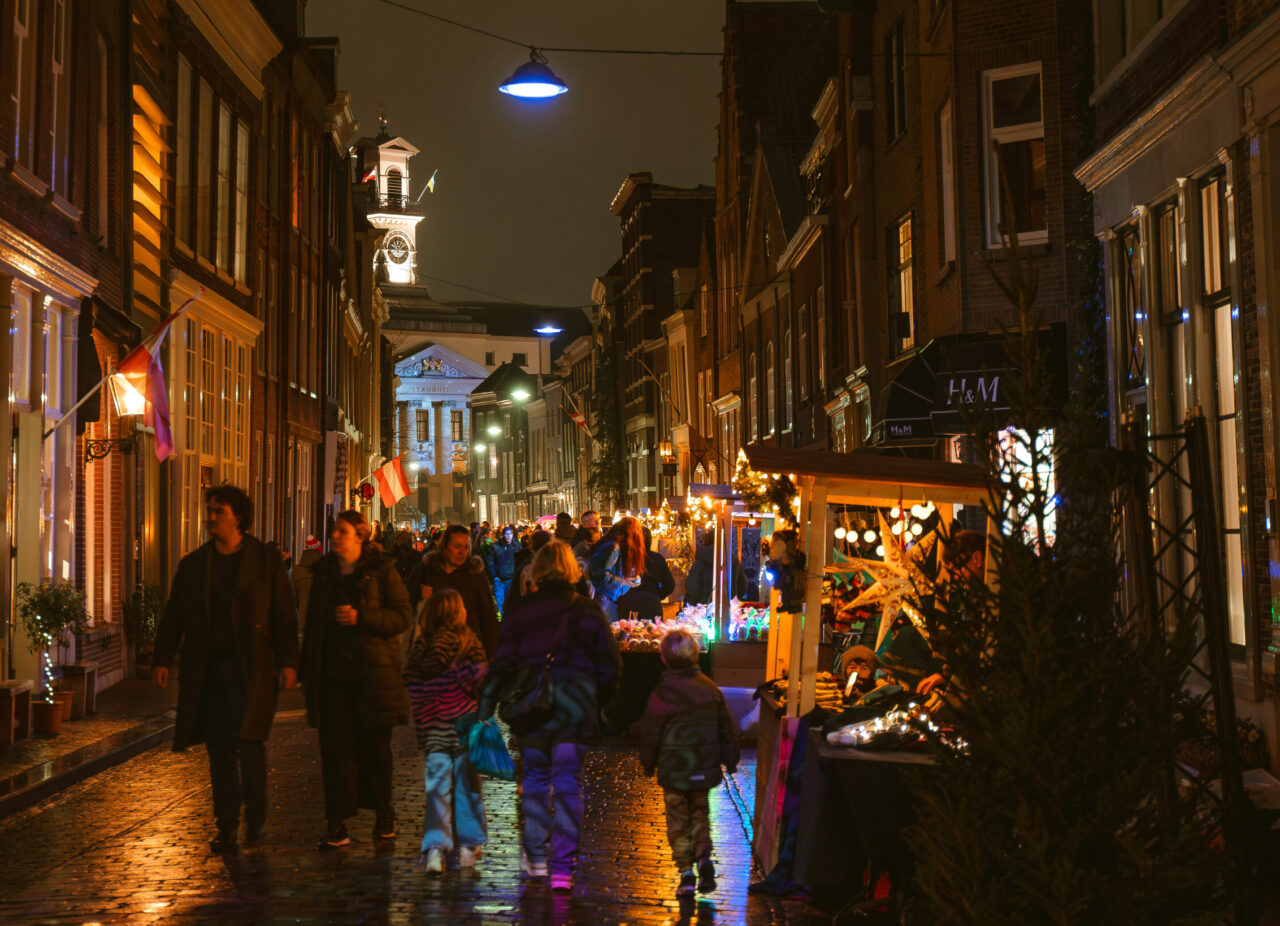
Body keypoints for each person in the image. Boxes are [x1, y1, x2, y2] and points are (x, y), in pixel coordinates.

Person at [152, 486, 299, 853]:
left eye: (218, 511)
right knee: (219, 751)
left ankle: (256, 813)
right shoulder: (195, 565)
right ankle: (227, 822)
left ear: (238, 517)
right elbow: (176, 614)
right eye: (209, 510)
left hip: (253, 669)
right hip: (210, 671)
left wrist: (289, 662)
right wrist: (162, 656)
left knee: (249, 744)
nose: (210, 517)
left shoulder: (265, 562)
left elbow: (283, 614)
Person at [477, 541, 622, 893]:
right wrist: (597, 700)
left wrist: (486, 707)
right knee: (569, 784)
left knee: (537, 780)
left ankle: (536, 856)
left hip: (533, 711)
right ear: (572, 570)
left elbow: (502, 662)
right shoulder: (588, 611)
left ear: (538, 571)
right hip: (575, 709)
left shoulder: (522, 611)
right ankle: (563, 865)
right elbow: (610, 665)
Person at [302, 509, 413, 850]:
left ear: (359, 537)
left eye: (341, 532)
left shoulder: (382, 571)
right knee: (335, 751)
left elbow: (402, 616)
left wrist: (361, 616)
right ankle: (336, 822)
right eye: (334, 531)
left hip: (372, 676)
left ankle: (384, 812)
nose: (335, 537)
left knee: (375, 749)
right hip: (335, 677)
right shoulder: (323, 575)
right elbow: (313, 626)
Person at [638, 628, 740, 896]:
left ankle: (685, 872)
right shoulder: (710, 688)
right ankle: (703, 856)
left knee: (677, 819)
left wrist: (647, 762)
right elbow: (726, 729)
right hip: (703, 768)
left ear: (664, 659)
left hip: (674, 770)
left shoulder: (663, 692)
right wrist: (730, 760)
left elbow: (650, 732)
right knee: (699, 813)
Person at [403, 588, 488, 875]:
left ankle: (435, 852)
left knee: (437, 788)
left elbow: (411, 681)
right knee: (468, 786)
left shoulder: (422, 645)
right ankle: (468, 846)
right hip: (463, 725)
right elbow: (480, 680)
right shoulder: (468, 642)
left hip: (434, 725)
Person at [415, 523, 501, 655]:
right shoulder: (426, 571)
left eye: (466, 547)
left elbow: (487, 614)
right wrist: (417, 594)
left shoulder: (474, 574)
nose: (462, 552)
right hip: (433, 651)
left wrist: (491, 653)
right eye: (457, 546)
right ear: (445, 546)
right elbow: (405, 602)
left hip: (468, 651)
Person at [588, 516, 647, 621]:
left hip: (606, 600)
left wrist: (628, 581)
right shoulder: (613, 546)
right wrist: (623, 582)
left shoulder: (612, 544)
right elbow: (602, 575)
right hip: (604, 600)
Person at [616, 526, 675, 621]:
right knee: (653, 634)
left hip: (628, 602)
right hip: (651, 604)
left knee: (629, 633)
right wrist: (656, 596)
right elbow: (670, 585)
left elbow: (613, 582)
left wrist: (620, 598)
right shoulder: (657, 558)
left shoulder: (623, 558)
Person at [291, 535, 323, 639]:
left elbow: (292, 596)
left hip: (303, 620)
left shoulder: (296, 570)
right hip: (323, 622)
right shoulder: (325, 569)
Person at [485, 525, 519, 613]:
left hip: (511, 579)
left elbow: (520, 561)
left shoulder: (516, 546)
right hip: (499, 580)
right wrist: (495, 576)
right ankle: (502, 622)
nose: (508, 536)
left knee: (511, 603)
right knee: (501, 603)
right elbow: (490, 563)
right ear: (503, 535)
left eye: (510, 534)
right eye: (507, 534)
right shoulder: (495, 547)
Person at [683, 533, 714, 606]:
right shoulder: (731, 560)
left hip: (701, 611)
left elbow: (693, 589)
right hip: (729, 611)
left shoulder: (699, 563)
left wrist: (686, 607)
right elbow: (742, 584)